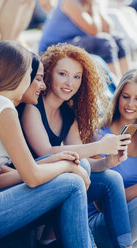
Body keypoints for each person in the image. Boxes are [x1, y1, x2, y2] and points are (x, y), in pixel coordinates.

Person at [0, 40, 96, 248]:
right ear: (18, 74)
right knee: (73, 184)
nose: (39, 84)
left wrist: (52, 162)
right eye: (31, 75)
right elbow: (32, 177)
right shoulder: (3, 107)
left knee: (69, 174)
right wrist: (67, 167)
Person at [21, 43, 132, 248]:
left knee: (112, 177)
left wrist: (108, 161)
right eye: (62, 74)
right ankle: (48, 237)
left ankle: (124, 245)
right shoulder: (33, 107)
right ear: (49, 74)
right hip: (30, 182)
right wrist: (100, 146)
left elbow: (86, 160)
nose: (69, 82)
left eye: (76, 76)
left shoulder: (68, 114)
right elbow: (46, 152)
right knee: (82, 166)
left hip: (56, 180)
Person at [88, 69, 137, 248]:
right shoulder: (98, 136)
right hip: (99, 222)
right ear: (117, 97)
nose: (130, 104)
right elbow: (102, 203)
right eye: (126, 96)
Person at [39, 0, 130, 79]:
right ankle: (115, 88)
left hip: (72, 41)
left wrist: (94, 5)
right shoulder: (69, 2)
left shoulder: (88, 2)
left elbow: (108, 29)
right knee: (103, 42)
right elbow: (94, 31)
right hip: (52, 47)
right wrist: (93, 6)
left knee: (118, 39)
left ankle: (126, 82)